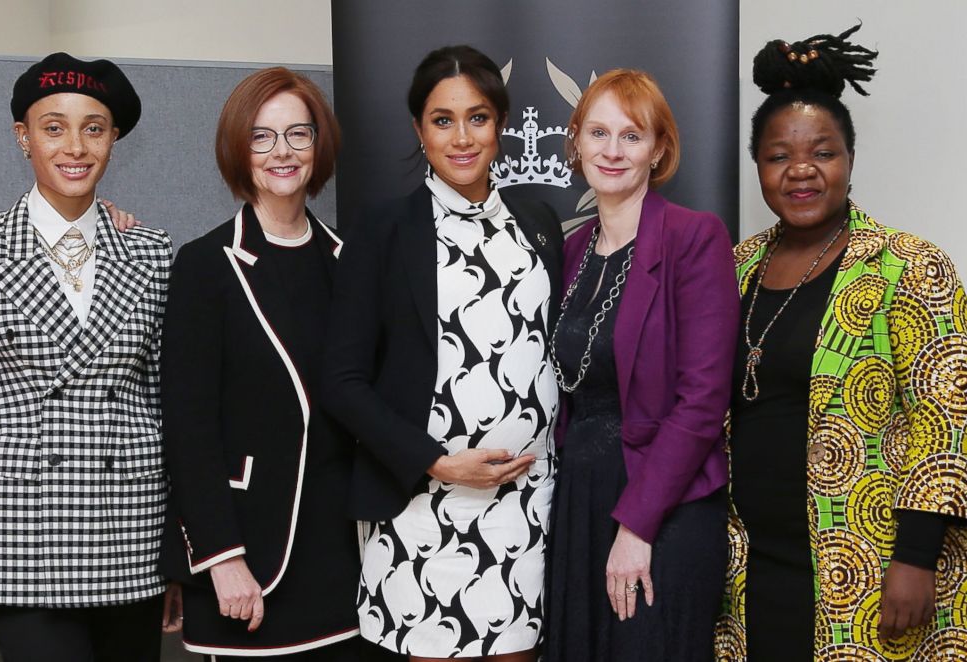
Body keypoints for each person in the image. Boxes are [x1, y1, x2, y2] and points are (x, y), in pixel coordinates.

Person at [715, 24, 967, 661]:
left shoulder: (909, 266)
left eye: (822, 152)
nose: (800, 170)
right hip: (748, 572)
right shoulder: (732, 269)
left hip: (868, 568)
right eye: (778, 156)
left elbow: (947, 419)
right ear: (758, 168)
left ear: (850, 160)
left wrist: (916, 559)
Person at [322, 45, 564, 661]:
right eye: (442, 119)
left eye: (478, 117)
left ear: (501, 124)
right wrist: (435, 462)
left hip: (525, 505)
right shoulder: (382, 230)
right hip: (420, 507)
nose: (462, 137)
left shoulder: (539, 224)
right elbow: (343, 380)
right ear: (417, 129)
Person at [157, 67, 374, 661]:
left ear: (318, 145)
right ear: (237, 148)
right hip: (248, 564)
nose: (282, 151)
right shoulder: (205, 265)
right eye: (261, 136)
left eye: (297, 134)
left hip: (343, 564)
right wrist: (222, 559)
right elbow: (188, 427)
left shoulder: (349, 261)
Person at [0, 53, 176, 661]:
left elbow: (171, 398)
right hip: (23, 524)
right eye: (53, 126)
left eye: (94, 127)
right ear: (22, 136)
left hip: (131, 524)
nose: (76, 146)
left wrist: (182, 546)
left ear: (113, 139)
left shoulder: (152, 250)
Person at [542, 70, 739, 662]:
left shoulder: (693, 238)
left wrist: (638, 525)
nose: (612, 150)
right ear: (575, 142)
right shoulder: (571, 252)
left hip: (665, 504)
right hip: (579, 498)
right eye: (598, 133)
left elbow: (704, 399)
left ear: (658, 149)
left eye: (632, 135)